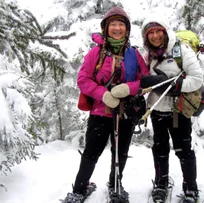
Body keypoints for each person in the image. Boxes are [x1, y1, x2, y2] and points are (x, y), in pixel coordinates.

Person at [64, 6, 149, 203]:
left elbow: (144, 81)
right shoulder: (95, 53)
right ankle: (79, 188)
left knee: (121, 153)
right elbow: (83, 80)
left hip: (126, 113)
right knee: (91, 152)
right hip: (100, 113)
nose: (117, 28)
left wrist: (129, 88)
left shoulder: (134, 54)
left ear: (127, 29)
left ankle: (115, 185)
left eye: (121, 24)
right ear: (106, 28)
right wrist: (103, 94)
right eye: (113, 24)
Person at [140, 15, 203, 203]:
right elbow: (142, 81)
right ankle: (161, 184)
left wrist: (176, 86)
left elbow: (197, 79)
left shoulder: (180, 50)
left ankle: (191, 188)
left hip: (179, 111)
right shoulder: (147, 56)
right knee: (159, 148)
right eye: (150, 33)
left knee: (183, 150)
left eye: (158, 31)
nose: (155, 35)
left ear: (165, 31)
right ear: (146, 37)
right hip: (157, 110)